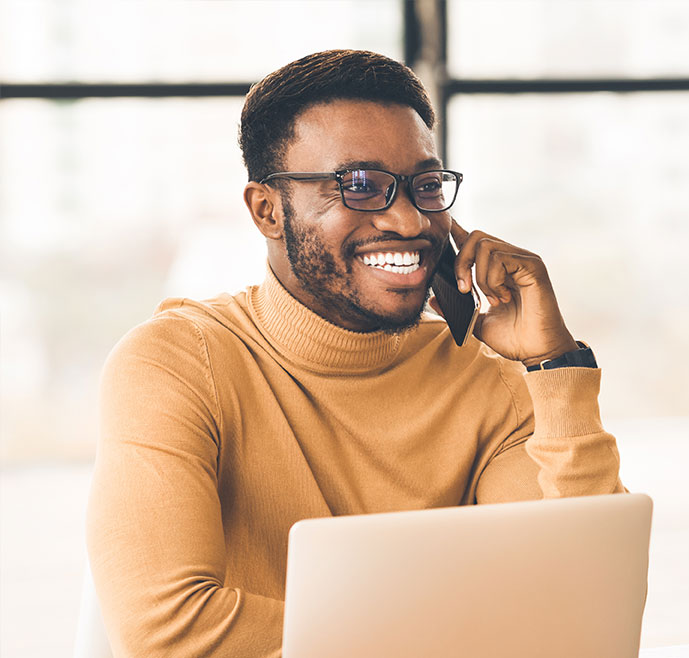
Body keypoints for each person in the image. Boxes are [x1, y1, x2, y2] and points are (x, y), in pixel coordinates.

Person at [86, 49, 624, 657]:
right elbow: (169, 631)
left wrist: (553, 366)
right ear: (267, 210)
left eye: (425, 185)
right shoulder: (177, 364)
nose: (407, 219)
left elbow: (584, 613)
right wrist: (461, 634)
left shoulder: (488, 379)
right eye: (360, 186)